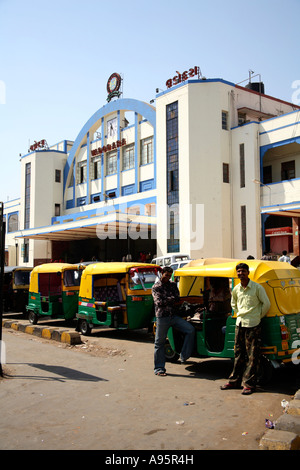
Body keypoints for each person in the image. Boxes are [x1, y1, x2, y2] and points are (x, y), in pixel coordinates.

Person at [220, 263, 270, 395]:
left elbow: (266, 304)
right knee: (238, 354)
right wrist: (239, 313)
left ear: (248, 273)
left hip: (253, 324)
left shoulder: (257, 288)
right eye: (238, 272)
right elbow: (233, 303)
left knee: (252, 356)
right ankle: (234, 381)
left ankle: (249, 385)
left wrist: (257, 316)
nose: (240, 274)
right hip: (240, 323)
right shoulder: (236, 289)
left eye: (243, 271)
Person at [152, 266, 195, 376]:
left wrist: (168, 299)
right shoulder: (156, 287)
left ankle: (184, 356)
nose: (168, 277)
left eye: (169, 275)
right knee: (159, 343)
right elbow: (159, 302)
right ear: (162, 274)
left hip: (173, 316)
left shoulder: (172, 285)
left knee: (190, 330)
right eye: (166, 275)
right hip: (162, 317)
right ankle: (159, 368)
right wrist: (171, 299)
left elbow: (177, 298)